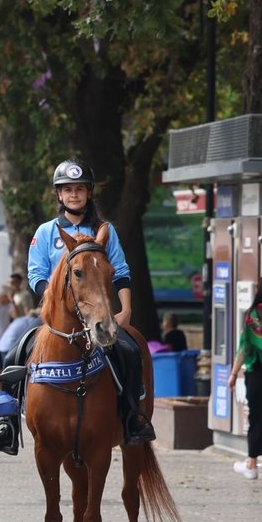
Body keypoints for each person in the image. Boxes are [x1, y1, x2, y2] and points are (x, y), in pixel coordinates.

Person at [27, 159, 153, 444]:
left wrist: (127, 309)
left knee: (131, 352)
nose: (74, 195)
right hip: (57, 317)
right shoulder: (45, 232)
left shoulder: (105, 230)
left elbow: (120, 272)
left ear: (89, 193)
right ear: (59, 195)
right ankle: (8, 421)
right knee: (15, 352)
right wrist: (54, 296)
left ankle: (134, 416)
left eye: (80, 189)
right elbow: (35, 274)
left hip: (98, 314)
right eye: (67, 189)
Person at [230, 274, 262, 480]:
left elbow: (245, 347)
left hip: (257, 374)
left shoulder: (254, 315)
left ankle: (251, 464)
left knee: (256, 417)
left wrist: (233, 374)